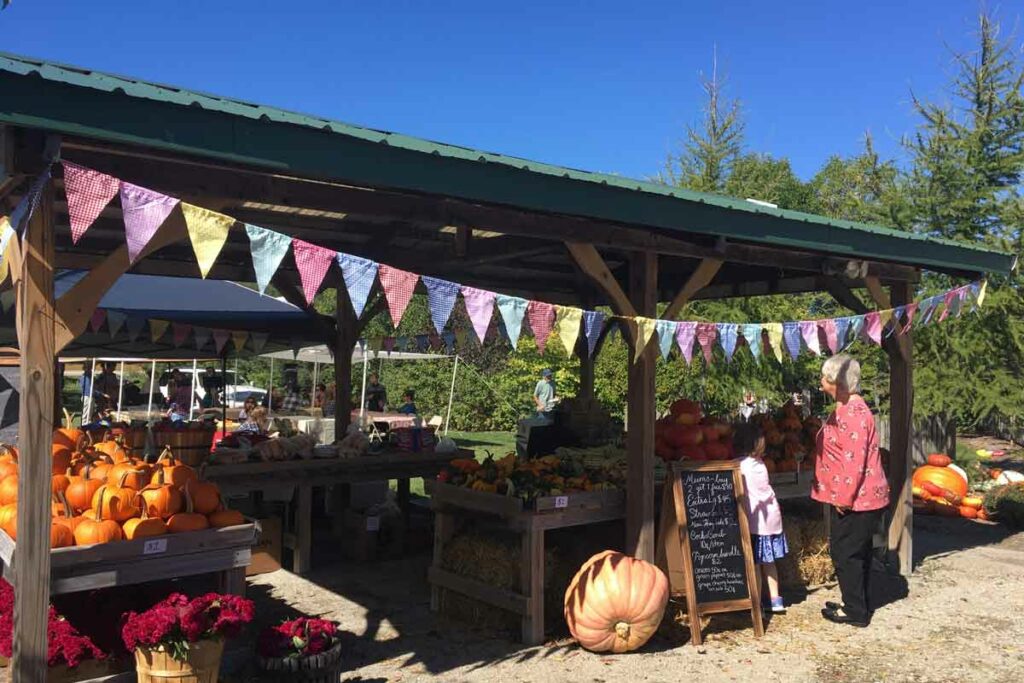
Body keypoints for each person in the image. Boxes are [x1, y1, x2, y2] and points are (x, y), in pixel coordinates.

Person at [813, 354, 890, 628]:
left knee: (846, 553)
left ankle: (856, 611)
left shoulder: (854, 414)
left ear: (838, 382)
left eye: (825, 378)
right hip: (858, 497)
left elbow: (854, 461)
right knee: (856, 551)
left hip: (858, 499)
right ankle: (855, 601)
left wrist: (843, 498)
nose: (821, 384)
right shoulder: (844, 408)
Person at [734, 423, 788, 614]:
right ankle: (776, 600)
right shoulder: (761, 465)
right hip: (772, 519)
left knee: (755, 563)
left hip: (756, 522)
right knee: (769, 563)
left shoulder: (739, 466)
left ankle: (756, 603)